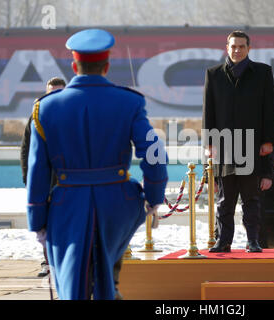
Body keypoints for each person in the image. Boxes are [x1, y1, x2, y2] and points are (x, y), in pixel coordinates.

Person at [26, 28, 168, 300]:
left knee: (71, 282)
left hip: (67, 205)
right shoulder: (130, 102)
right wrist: (153, 197)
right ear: (107, 65)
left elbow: (38, 171)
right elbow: (154, 152)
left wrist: (38, 220)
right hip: (116, 202)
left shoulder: (45, 108)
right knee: (108, 272)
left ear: (73, 65)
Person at [203, 30, 274, 253]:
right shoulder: (213, 74)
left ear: (248, 48)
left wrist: (268, 142)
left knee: (251, 200)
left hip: (252, 146)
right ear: (227, 48)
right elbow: (209, 112)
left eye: (241, 46)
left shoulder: (262, 73)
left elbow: (269, 111)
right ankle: (223, 240)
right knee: (224, 201)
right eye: (233, 46)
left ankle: (252, 240)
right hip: (224, 146)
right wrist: (209, 144)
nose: (237, 50)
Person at [20, 77, 66, 278]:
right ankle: (48, 262)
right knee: (45, 226)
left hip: (69, 182)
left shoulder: (71, 114)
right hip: (45, 182)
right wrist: (28, 178)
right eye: (52, 92)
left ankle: (65, 261)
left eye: (59, 92)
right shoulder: (36, 117)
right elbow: (26, 150)